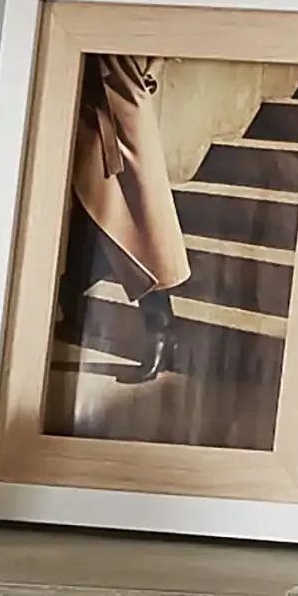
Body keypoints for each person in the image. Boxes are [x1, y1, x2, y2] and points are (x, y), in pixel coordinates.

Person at [57, 53, 191, 381]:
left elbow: (165, 32)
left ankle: (161, 334)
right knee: (91, 219)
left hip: (126, 109)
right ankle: (65, 308)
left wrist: (151, 75)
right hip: (87, 112)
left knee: (139, 231)